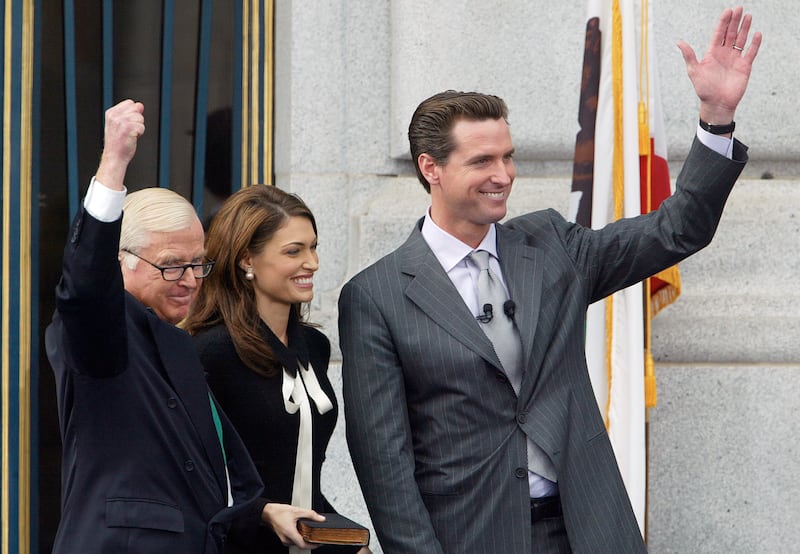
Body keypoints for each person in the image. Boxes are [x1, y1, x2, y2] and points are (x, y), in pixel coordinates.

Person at [338, 6, 761, 553]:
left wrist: (716, 119)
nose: (504, 175)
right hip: (472, 537)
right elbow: (385, 468)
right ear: (430, 168)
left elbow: (677, 230)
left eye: (509, 157)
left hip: (585, 528)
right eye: (482, 160)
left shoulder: (551, 245)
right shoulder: (377, 295)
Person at [44, 99, 264, 553]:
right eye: (170, 266)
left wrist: (264, 512)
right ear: (119, 263)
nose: (188, 280)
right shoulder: (102, 330)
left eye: (197, 264)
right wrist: (114, 162)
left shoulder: (175, 339)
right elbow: (84, 289)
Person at [184, 185, 371, 554]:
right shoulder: (210, 352)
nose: (313, 263)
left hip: (307, 542)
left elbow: (301, 478)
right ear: (246, 260)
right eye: (294, 251)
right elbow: (196, 475)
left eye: (313, 247)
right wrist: (263, 513)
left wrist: (349, 545)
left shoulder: (314, 347)